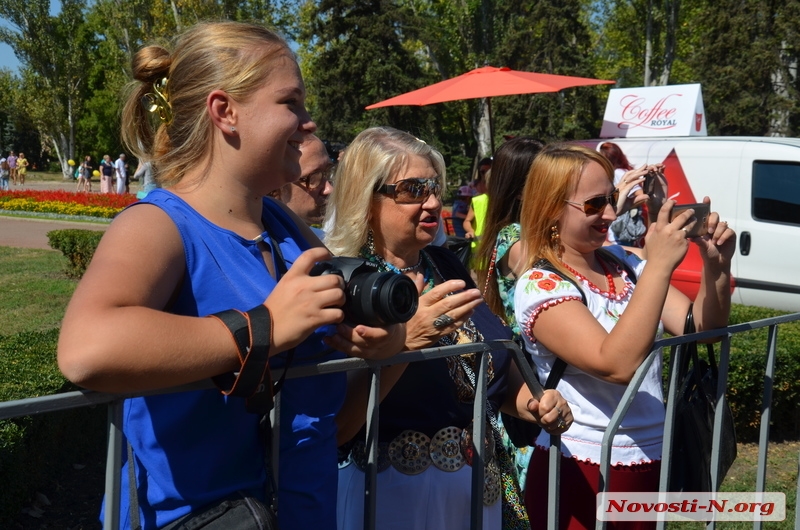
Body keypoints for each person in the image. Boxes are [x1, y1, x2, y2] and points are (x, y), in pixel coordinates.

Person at [57, 21, 404, 530]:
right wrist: (264, 326)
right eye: (291, 103)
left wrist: (382, 334)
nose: (309, 123)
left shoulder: (283, 225)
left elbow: (355, 315)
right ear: (225, 111)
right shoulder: (158, 224)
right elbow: (86, 349)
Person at [326, 126, 572, 530]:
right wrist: (406, 343)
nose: (434, 202)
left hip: (479, 493)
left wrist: (534, 403)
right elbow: (340, 425)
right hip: (391, 501)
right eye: (413, 189)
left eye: (435, 188)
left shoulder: (444, 264)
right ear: (367, 198)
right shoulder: (346, 283)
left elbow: (494, 367)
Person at [513, 143, 735, 529]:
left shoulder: (627, 265)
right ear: (550, 208)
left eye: (611, 199)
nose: (612, 214)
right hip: (581, 467)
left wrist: (717, 266)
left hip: (650, 457)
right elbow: (615, 365)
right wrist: (660, 264)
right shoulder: (540, 284)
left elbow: (702, 331)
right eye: (595, 204)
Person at [273, 134, 333, 238]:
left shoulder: (325, 242)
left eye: (328, 172)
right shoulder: (263, 251)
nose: (329, 189)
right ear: (277, 189)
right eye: (313, 178)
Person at [597, 141, 652, 247]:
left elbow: (640, 195)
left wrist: (623, 207)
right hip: (622, 228)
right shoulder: (622, 171)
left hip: (622, 228)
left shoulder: (618, 173)